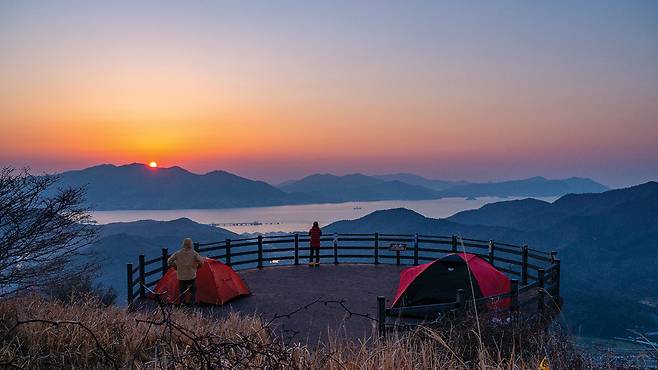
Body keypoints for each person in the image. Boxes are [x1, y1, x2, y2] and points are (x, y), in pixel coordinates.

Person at [167, 238, 204, 305]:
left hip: (181, 276)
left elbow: (169, 261)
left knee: (182, 292)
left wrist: (176, 266)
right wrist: (197, 266)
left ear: (183, 244)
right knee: (193, 291)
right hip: (191, 275)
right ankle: (191, 304)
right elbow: (201, 261)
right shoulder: (194, 253)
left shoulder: (178, 253)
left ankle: (182, 305)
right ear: (191, 244)